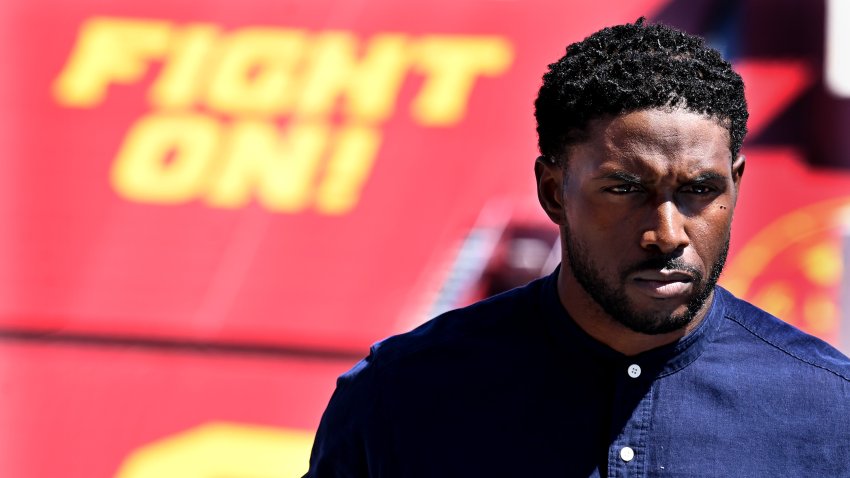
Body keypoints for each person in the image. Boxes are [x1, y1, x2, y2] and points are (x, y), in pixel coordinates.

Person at [304, 19, 850, 477]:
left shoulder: (830, 411)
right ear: (552, 192)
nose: (668, 233)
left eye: (700, 191)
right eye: (625, 189)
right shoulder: (404, 393)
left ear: (735, 182)